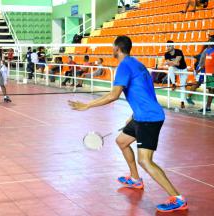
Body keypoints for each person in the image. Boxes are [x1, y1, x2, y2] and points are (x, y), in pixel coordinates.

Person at [69, 36, 187, 213]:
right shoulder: (137, 64)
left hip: (149, 118)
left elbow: (113, 95)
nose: (111, 49)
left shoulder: (124, 66)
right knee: (121, 141)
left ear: (117, 48)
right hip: (140, 116)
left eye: (112, 47)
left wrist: (87, 105)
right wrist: (133, 114)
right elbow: (146, 91)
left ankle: (177, 198)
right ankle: (135, 179)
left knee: (145, 161)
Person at [164, 40, 188, 109]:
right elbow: (175, 63)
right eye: (167, 46)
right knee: (170, 68)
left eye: (169, 46)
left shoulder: (179, 52)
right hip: (176, 69)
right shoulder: (166, 54)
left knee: (182, 85)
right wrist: (173, 62)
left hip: (183, 69)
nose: (168, 47)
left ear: (173, 46)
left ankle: (182, 102)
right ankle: (173, 84)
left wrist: (169, 62)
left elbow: (176, 62)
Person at [198, 35, 214, 114]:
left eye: (211, 40)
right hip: (208, 73)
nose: (209, 41)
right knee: (210, 91)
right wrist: (199, 69)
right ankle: (207, 107)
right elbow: (207, 62)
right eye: (208, 40)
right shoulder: (208, 50)